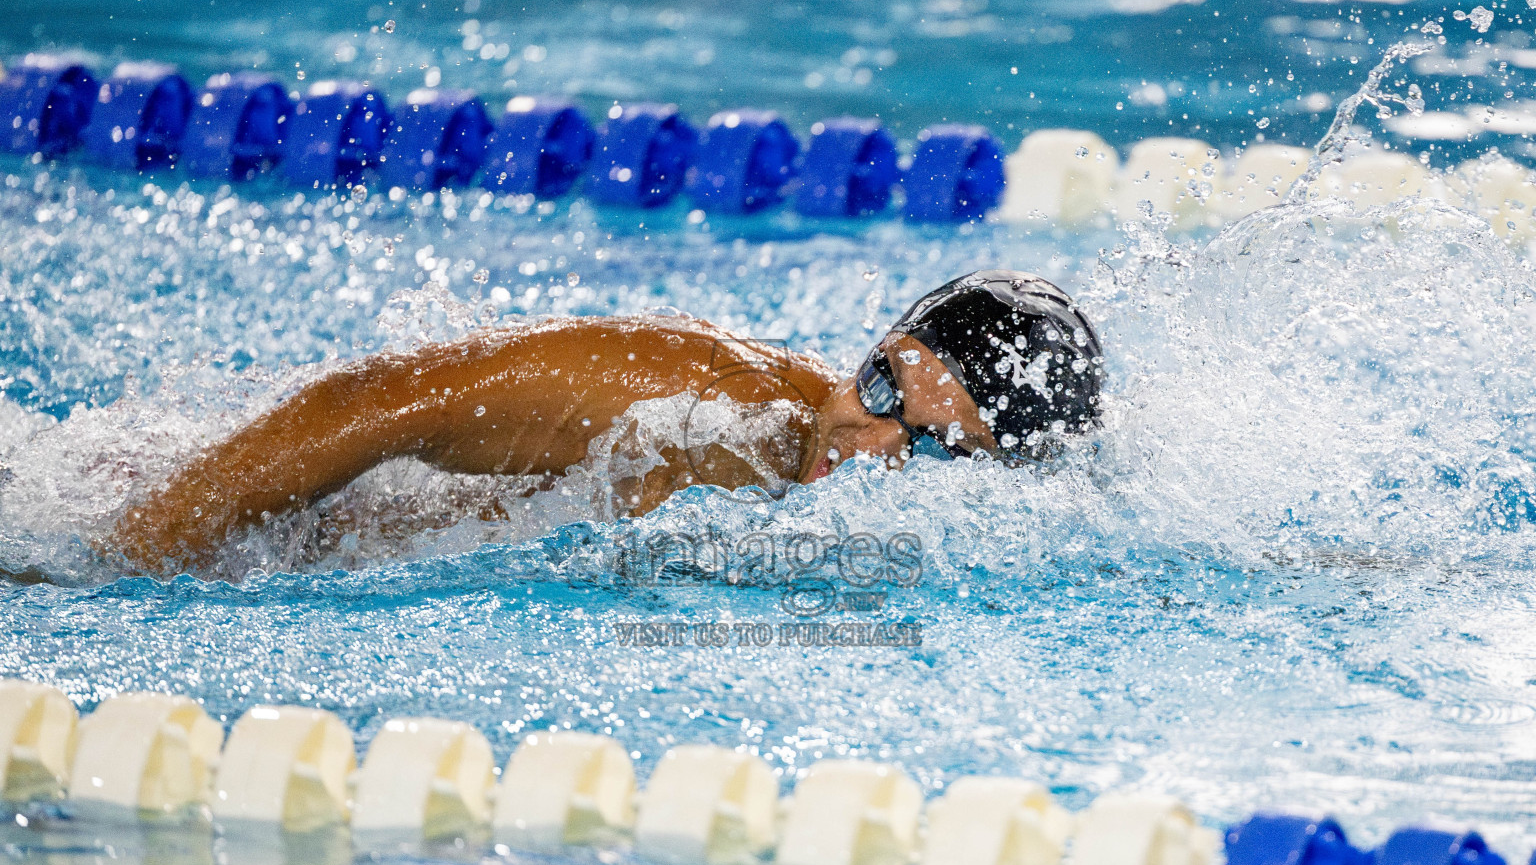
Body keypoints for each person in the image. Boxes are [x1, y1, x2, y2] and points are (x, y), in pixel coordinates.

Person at [112, 269, 1104, 573]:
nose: (871, 436)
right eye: (882, 390)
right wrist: (143, 553)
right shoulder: (689, 396)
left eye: (928, 443)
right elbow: (366, 404)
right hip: (191, 532)